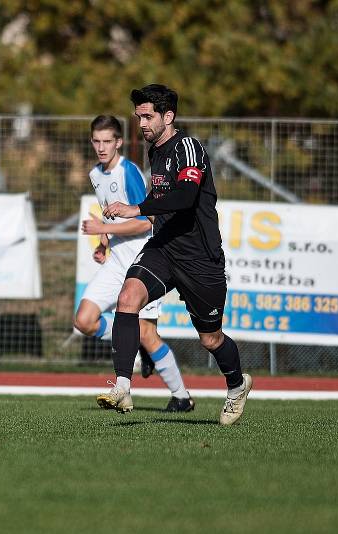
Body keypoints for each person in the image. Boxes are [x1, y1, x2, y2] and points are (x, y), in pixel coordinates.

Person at [98, 84, 251, 425]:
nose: (142, 124)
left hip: (200, 258)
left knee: (210, 338)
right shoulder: (155, 151)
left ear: (169, 116)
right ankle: (122, 384)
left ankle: (237, 385)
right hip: (164, 247)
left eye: (148, 116)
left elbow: (184, 196)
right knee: (127, 298)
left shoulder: (188, 148)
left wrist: (134, 208)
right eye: (138, 117)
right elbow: (163, 200)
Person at [75, 115, 193, 412]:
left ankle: (182, 397)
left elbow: (145, 223)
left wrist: (103, 231)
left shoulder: (129, 173)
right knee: (84, 320)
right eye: (96, 141)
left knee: (147, 334)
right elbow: (110, 214)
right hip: (116, 261)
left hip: (144, 261)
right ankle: (133, 342)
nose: (101, 147)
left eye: (107, 141)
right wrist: (103, 245)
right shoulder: (95, 174)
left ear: (118, 142)